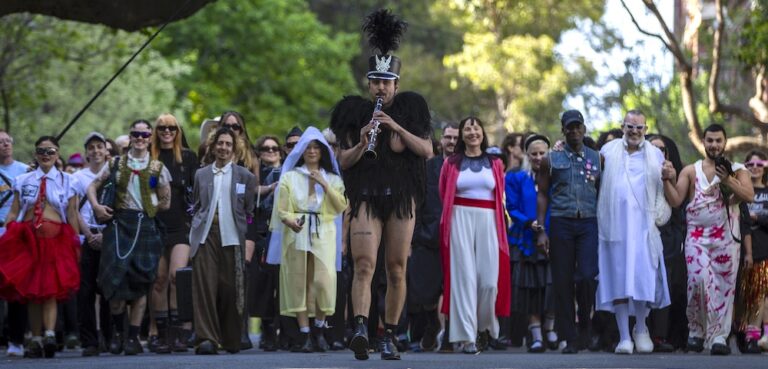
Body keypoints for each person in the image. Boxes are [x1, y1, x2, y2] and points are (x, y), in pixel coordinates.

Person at [330, 9, 432, 361]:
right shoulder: (354, 112)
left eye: (387, 82)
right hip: (367, 197)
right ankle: (360, 327)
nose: (381, 88)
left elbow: (427, 150)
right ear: (368, 83)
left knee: (397, 268)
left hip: (401, 198)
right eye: (376, 81)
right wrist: (361, 142)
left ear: (396, 85)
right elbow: (342, 162)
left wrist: (395, 127)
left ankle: (388, 333)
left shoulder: (412, 109)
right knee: (363, 265)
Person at [662, 123, 754, 355]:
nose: (713, 145)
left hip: (726, 239)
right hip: (696, 238)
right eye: (709, 140)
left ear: (725, 143)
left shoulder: (737, 169)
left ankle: (719, 337)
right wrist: (666, 180)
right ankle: (697, 331)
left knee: (724, 288)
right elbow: (675, 201)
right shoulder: (691, 171)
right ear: (703, 142)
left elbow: (749, 196)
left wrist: (728, 181)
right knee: (698, 281)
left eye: (718, 141)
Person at [88, 119, 172, 356]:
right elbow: (92, 186)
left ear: (150, 138)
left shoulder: (157, 169)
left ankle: (133, 338)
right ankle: (117, 334)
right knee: (115, 283)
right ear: (130, 135)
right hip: (117, 224)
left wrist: (151, 207)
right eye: (136, 133)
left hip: (145, 226)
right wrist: (96, 207)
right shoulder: (115, 163)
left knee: (141, 281)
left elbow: (166, 201)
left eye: (145, 135)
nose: (140, 138)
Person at [595, 110, 671, 354]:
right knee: (617, 278)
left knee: (642, 278)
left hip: (644, 228)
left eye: (639, 128)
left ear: (645, 129)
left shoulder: (655, 154)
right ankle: (624, 337)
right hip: (614, 227)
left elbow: (663, 188)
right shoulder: (607, 152)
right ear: (622, 127)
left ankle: (640, 328)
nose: (635, 132)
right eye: (630, 127)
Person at [266, 127, 347, 352]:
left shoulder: (332, 178)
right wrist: (290, 220)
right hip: (298, 233)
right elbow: (282, 209)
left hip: (324, 232)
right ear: (301, 151)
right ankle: (304, 334)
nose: (312, 151)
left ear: (322, 152)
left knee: (323, 282)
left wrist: (323, 183)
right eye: (308, 147)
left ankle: (319, 327)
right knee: (299, 282)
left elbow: (341, 205)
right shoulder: (290, 177)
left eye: (316, 148)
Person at [0, 136, 80, 358]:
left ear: (57, 154)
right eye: (41, 151)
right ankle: (35, 338)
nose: (46, 155)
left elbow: (72, 213)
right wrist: (8, 231)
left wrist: (77, 240)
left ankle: (50, 334)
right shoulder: (23, 180)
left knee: (51, 290)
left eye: (51, 151)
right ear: (35, 154)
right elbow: (15, 210)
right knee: (32, 292)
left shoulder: (68, 180)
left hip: (56, 241)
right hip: (28, 240)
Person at [438, 117, 510, 354]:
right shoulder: (451, 163)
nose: (472, 132)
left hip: (489, 220)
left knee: (489, 282)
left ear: (482, 133)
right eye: (467, 128)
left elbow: (500, 194)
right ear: (461, 134)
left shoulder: (496, 163)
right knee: (464, 279)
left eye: (476, 127)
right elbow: (443, 192)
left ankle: (483, 327)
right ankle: (467, 337)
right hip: (459, 218)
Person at [536, 109, 601, 354]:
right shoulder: (551, 160)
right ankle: (569, 337)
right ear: (563, 130)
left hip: (588, 223)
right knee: (562, 282)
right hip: (561, 222)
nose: (574, 131)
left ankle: (586, 327)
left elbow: (602, 191)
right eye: (569, 127)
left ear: (584, 129)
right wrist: (541, 230)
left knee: (586, 277)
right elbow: (542, 194)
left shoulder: (597, 158)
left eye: (578, 127)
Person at [188, 127, 257, 354]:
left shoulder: (245, 177)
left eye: (228, 144)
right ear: (213, 146)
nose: (223, 148)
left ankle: (230, 339)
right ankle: (207, 339)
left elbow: (249, 209)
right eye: (220, 143)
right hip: (206, 236)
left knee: (230, 288)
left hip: (232, 237)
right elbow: (198, 205)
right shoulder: (201, 174)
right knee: (205, 287)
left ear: (233, 148)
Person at [149, 114, 199, 353]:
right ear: (156, 131)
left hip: (181, 226)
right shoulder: (150, 159)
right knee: (158, 280)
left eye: (171, 128)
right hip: (155, 225)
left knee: (176, 277)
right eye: (162, 128)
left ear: (178, 131)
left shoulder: (188, 158)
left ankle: (180, 333)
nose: (167, 131)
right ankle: (161, 334)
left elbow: (197, 193)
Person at [506, 133, 558, 353]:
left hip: (554, 238)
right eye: (534, 154)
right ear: (527, 155)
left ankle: (551, 329)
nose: (538, 157)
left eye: (542, 153)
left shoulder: (558, 176)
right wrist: (529, 223)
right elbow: (512, 206)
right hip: (525, 238)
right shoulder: (516, 177)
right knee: (530, 289)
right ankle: (535, 335)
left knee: (552, 286)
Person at [411, 123, 458, 352]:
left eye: (455, 138)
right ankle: (431, 326)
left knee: (453, 290)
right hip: (428, 237)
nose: (451, 141)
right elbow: (417, 203)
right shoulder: (428, 168)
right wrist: (416, 234)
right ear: (441, 141)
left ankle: (448, 336)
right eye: (448, 137)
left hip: (458, 239)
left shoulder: (467, 168)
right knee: (424, 292)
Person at [646, 134, 688, 352]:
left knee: (665, 284)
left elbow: (676, 203)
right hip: (641, 234)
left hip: (668, 236)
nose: (656, 152)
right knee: (642, 284)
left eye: (661, 149)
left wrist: (669, 178)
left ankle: (660, 336)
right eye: (651, 147)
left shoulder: (674, 173)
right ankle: (640, 333)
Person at [72, 132, 112, 356]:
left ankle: (109, 336)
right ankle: (89, 340)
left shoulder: (115, 173)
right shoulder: (77, 178)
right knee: (85, 290)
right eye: (91, 148)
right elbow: (74, 209)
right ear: (86, 152)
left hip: (110, 235)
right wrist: (88, 234)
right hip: (87, 236)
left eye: (100, 147)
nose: (96, 151)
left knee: (108, 289)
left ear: (107, 150)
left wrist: (105, 236)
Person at [0, 130, 30, 357]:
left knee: (15, 287)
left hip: (16, 234)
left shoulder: (24, 171)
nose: (4, 145)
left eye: (7, 141)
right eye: (0, 142)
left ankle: (16, 339)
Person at [737, 150, 768, 352]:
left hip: (766, 248)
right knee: (751, 293)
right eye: (750, 164)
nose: (755, 167)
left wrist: (759, 218)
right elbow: (741, 222)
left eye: (759, 163)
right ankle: (749, 335)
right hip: (747, 251)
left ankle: (760, 334)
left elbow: (752, 219)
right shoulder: (742, 193)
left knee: (764, 292)